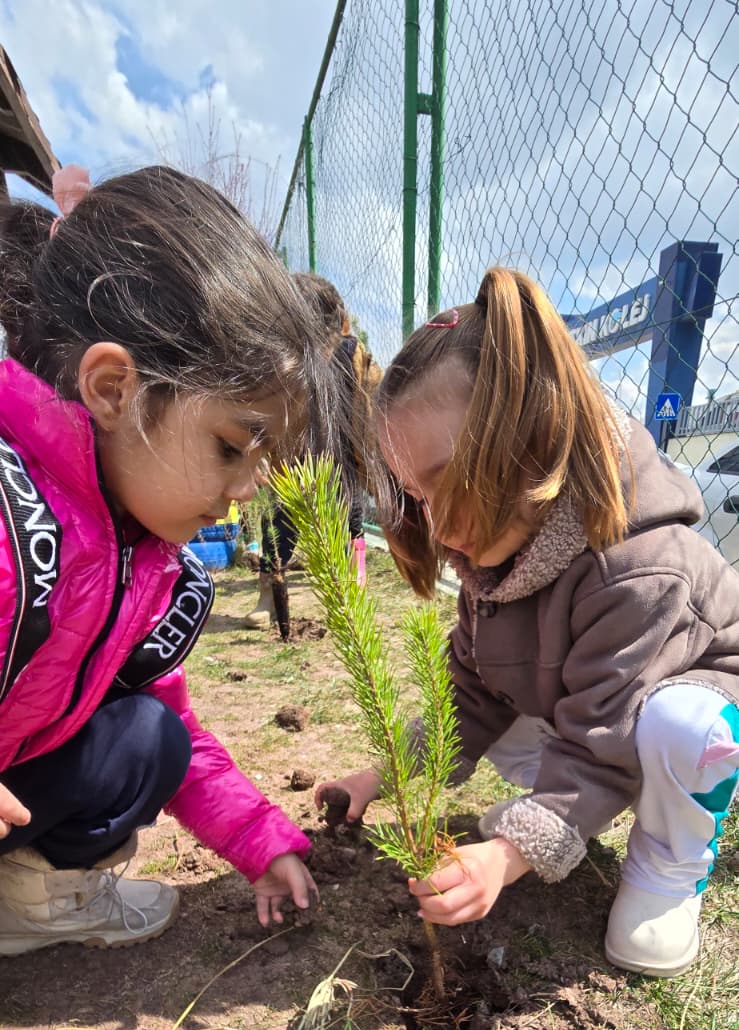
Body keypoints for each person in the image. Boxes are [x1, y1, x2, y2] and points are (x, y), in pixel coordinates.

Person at [318, 268, 739, 977]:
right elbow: (467, 698)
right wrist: (376, 778)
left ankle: (670, 862)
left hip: (683, 712)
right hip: (598, 715)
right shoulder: (494, 556)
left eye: (451, 480)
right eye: (417, 496)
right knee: (520, 721)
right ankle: (563, 815)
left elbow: (601, 742)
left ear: (534, 437)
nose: (435, 522)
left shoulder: (635, 566)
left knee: (679, 728)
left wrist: (509, 855)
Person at [0, 163, 339, 954]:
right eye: (230, 446)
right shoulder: (13, 517)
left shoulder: (148, 558)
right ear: (114, 388)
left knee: (150, 736)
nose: (249, 488)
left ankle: (26, 902)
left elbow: (176, 730)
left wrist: (260, 842)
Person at [245, 271, 381, 627]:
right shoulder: (282, 363)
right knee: (278, 527)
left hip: (340, 462)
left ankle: (354, 593)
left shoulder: (354, 356)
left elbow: (369, 411)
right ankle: (269, 596)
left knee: (351, 522)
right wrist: (260, 457)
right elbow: (261, 413)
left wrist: (371, 468)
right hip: (295, 465)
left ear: (339, 328)